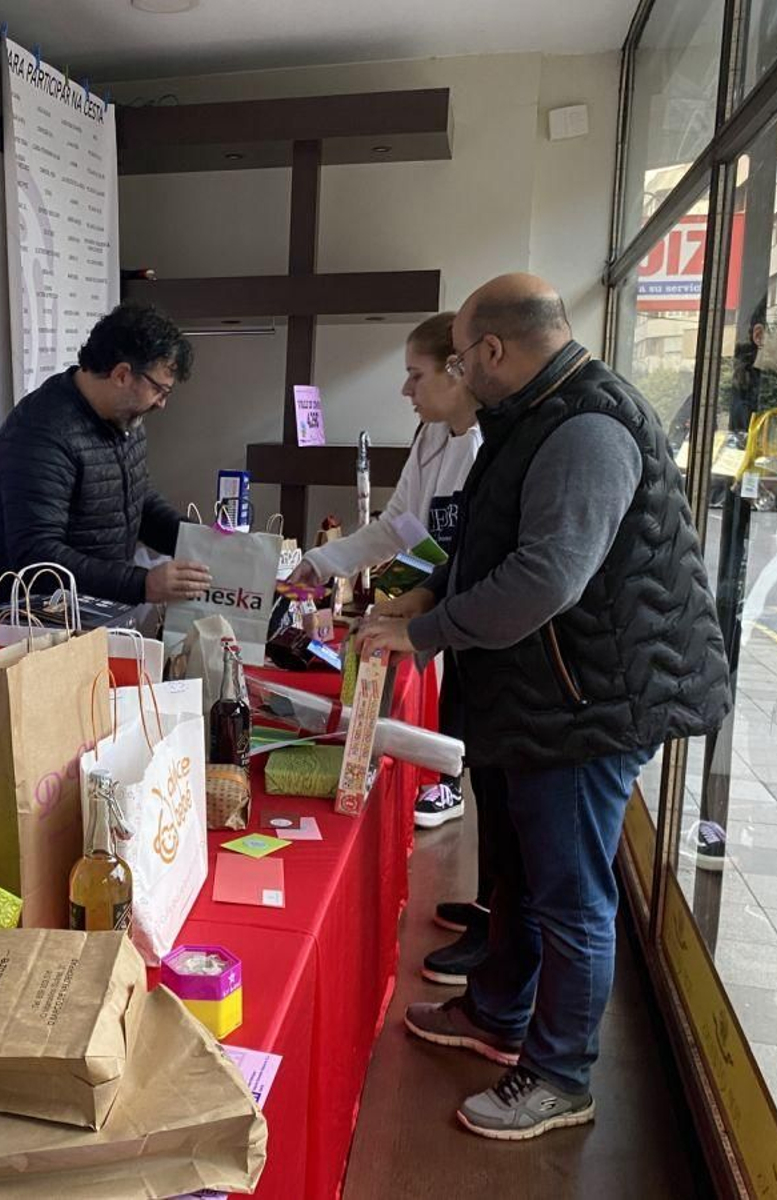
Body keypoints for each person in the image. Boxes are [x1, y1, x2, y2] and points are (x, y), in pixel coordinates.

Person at [360, 274, 730, 1141]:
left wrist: (426, 631)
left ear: (491, 350)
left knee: (569, 894)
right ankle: (497, 1015)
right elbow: (479, 538)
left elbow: (544, 578)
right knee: (520, 875)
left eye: (456, 359)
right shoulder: (527, 415)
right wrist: (428, 592)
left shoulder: (586, 428)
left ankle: (562, 1076)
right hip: (543, 697)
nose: (447, 377)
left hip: (586, 701)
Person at [288, 313, 491, 987]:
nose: (406, 390)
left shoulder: (491, 445)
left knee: (498, 779)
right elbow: (402, 528)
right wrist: (324, 563)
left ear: (458, 370)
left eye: (415, 374)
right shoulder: (432, 434)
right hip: (444, 609)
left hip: (479, 624)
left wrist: (416, 609)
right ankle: (488, 910)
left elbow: (467, 558)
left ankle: (495, 928)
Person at [0, 303, 212, 614]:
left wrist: (199, 542)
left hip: (93, 613)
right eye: (159, 391)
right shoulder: (40, 432)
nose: (161, 404)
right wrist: (142, 583)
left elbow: (138, 502)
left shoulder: (125, 418)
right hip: (26, 623)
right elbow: (38, 555)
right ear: (122, 375)